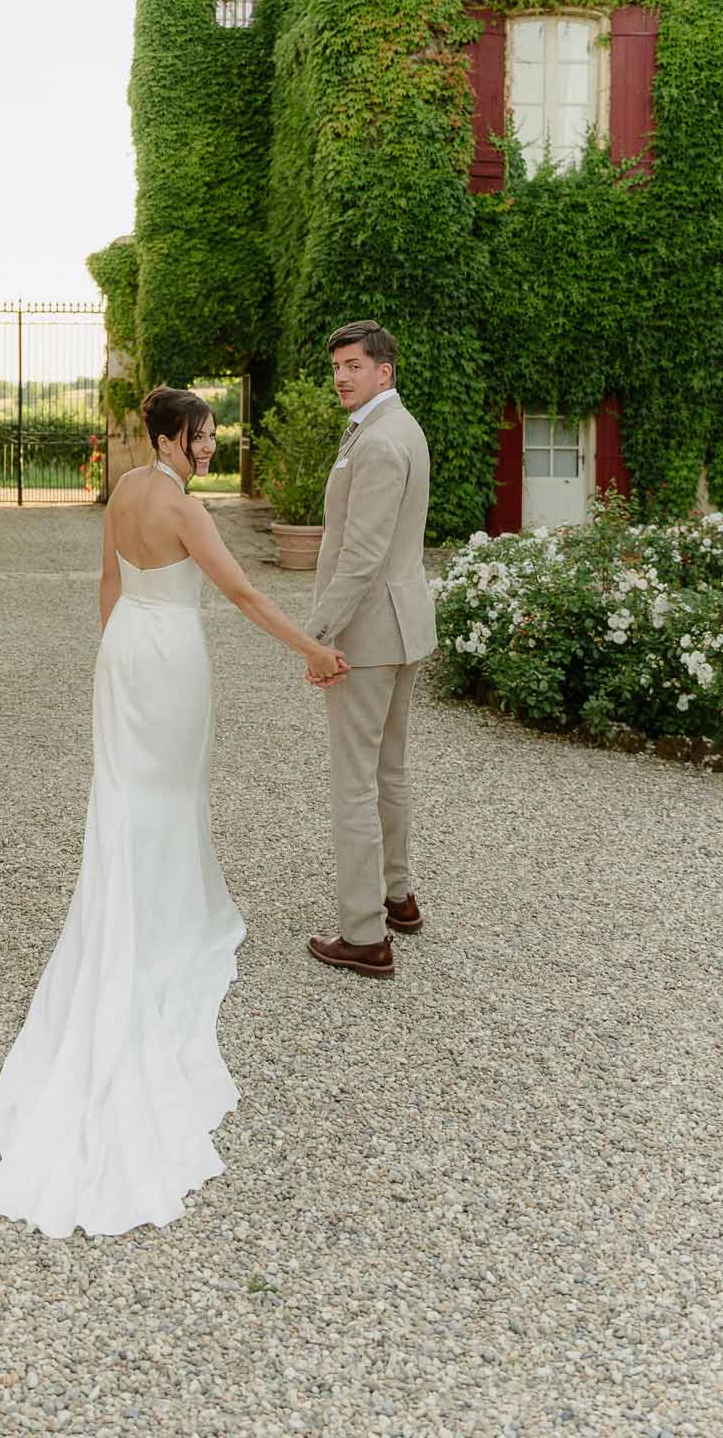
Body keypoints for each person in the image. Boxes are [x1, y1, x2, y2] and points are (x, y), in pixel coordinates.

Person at [0, 384, 349, 1239]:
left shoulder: (122, 492)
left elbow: (109, 584)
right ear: (177, 435)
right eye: (208, 436)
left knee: (131, 791)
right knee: (173, 792)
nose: (214, 447)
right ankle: (170, 921)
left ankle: (141, 901)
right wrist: (316, 652)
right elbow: (245, 597)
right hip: (172, 653)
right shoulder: (179, 505)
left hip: (126, 653)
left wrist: (117, 660)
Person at [304, 320, 435, 979]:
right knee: (388, 770)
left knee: (356, 780)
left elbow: (360, 556)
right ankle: (396, 896)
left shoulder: (380, 441)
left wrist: (316, 633)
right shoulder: (397, 427)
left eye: (353, 365)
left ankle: (363, 933)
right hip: (402, 623)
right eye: (336, 367)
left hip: (369, 632)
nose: (341, 377)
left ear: (384, 371)